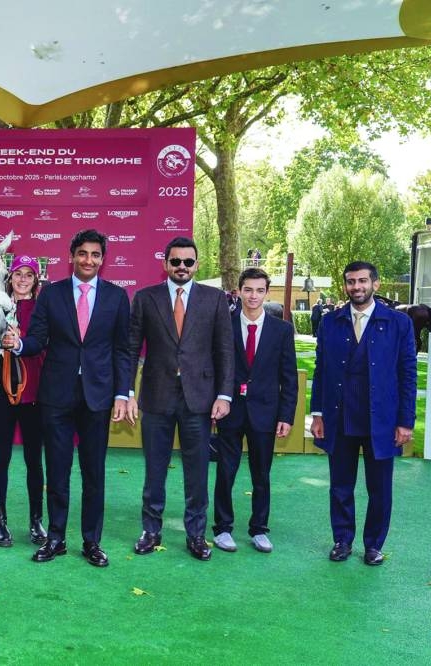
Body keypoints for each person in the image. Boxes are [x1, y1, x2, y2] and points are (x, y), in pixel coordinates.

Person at [4, 229, 133, 568]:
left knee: (94, 473)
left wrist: (123, 392)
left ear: (102, 260)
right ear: (71, 256)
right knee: (57, 471)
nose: (88, 260)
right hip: (56, 396)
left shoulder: (117, 298)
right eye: (82, 254)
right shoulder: (51, 295)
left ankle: (92, 542)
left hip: (99, 396)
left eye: (95, 255)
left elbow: (123, 350)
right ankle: (56, 538)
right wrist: (18, 345)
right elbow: (38, 340)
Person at [125, 236, 234, 561]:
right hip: (156, 396)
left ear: (197, 264)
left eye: (188, 262)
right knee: (154, 468)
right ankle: (151, 530)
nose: (182, 267)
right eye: (176, 261)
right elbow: (131, 349)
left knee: (197, 469)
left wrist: (224, 394)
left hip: (199, 399)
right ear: (166, 264)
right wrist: (127, 391)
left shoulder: (214, 299)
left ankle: (196, 535)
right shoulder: (145, 298)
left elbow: (225, 350)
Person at [310, 261, 416, 566]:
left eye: (362, 281)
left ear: (376, 285)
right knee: (340, 485)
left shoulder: (398, 324)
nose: (356, 287)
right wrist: (317, 414)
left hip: (381, 421)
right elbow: (322, 371)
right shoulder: (330, 323)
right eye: (350, 282)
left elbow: (407, 374)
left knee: (380, 488)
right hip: (339, 417)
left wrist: (405, 422)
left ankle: (373, 545)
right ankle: (342, 540)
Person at [212, 267, 297, 554]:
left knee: (261, 473)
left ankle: (259, 529)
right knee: (226, 470)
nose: (253, 295)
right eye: (248, 289)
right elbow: (214, 367)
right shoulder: (224, 324)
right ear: (238, 291)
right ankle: (222, 528)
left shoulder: (282, 330)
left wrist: (286, 416)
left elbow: (289, 377)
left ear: (266, 293)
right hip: (230, 410)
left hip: (266, 413)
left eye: (259, 290)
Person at [0, 255, 46, 547]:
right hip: (2, 391)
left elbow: (44, 343)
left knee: (34, 460)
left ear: (36, 280)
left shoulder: (42, 308)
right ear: (9, 278)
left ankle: (36, 521)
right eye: (18, 274)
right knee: (1, 458)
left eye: (29, 275)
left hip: (34, 393)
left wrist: (21, 341)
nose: (23, 279)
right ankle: (0, 522)